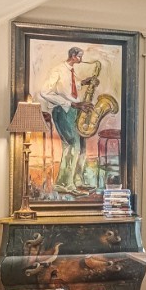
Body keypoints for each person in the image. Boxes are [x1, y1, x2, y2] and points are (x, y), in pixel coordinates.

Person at [37, 46, 102, 194]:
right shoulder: (57, 70)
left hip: (74, 111)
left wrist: (84, 83)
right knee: (73, 146)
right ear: (73, 55)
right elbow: (44, 92)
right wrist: (72, 103)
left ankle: (77, 181)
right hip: (63, 111)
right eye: (80, 56)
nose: (81, 59)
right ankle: (66, 184)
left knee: (82, 147)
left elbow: (66, 89)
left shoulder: (71, 71)